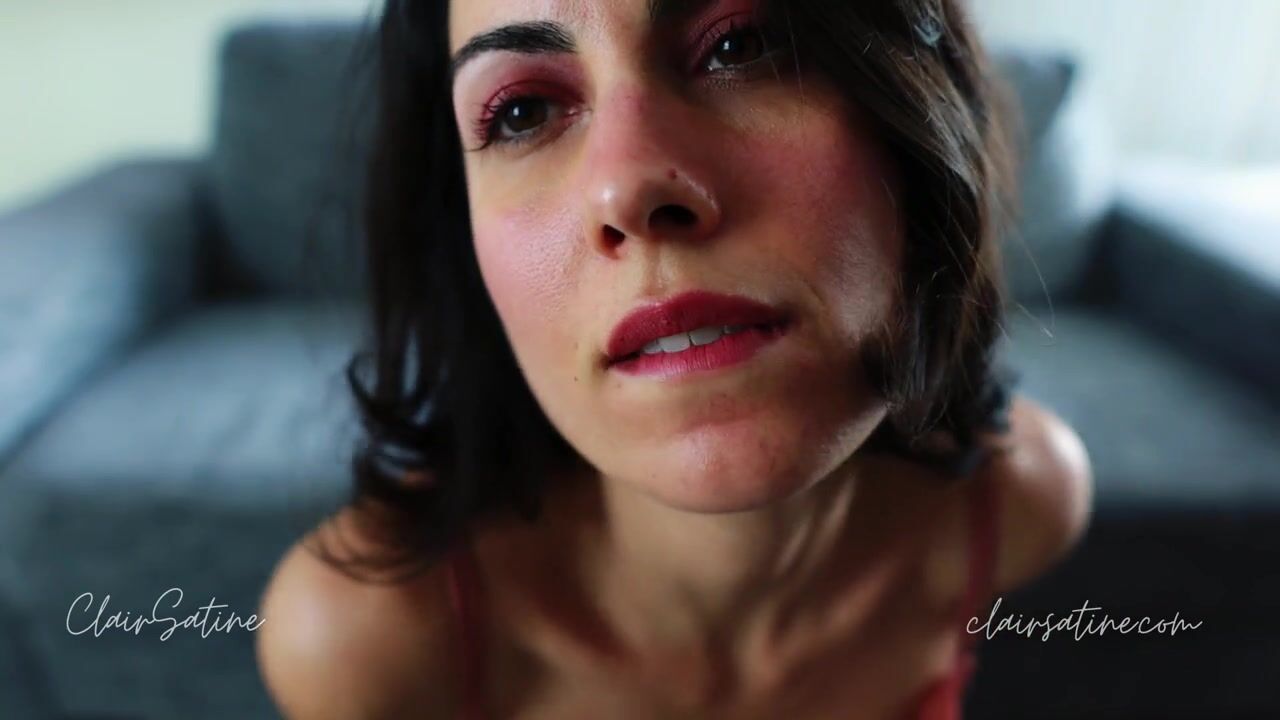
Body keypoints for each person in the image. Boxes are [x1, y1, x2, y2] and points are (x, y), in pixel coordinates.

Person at [256, 0, 1094, 717]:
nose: (630, 187)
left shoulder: (1019, 507)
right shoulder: (365, 642)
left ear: (920, 101)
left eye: (740, 46)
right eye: (522, 112)